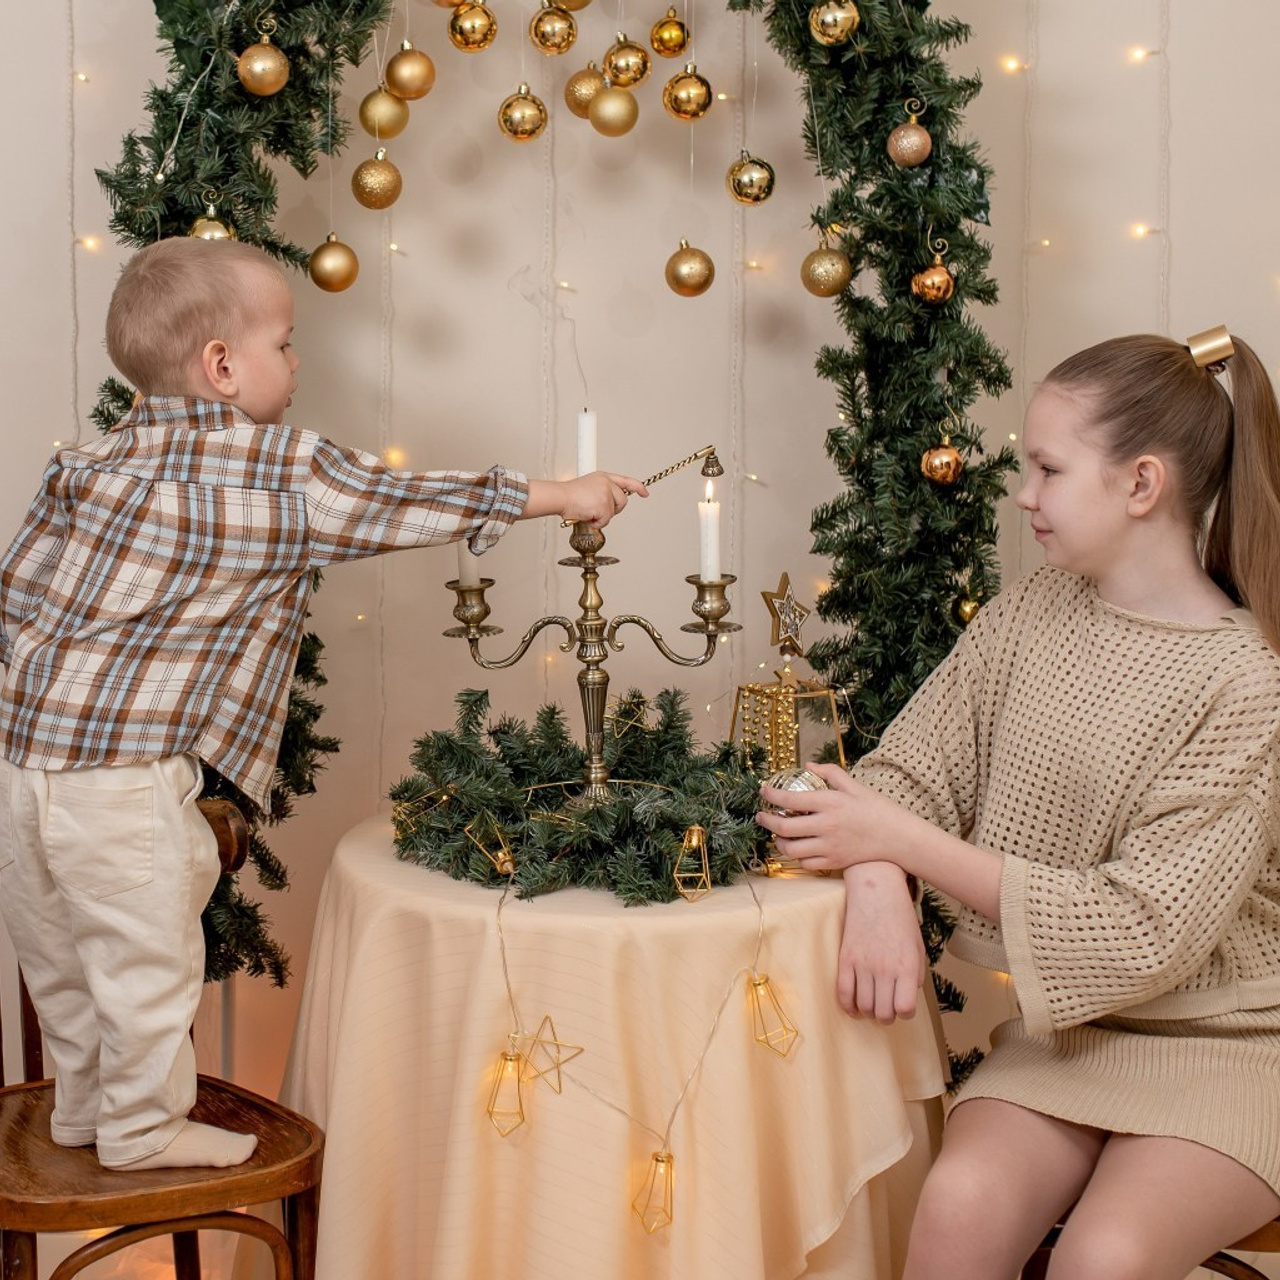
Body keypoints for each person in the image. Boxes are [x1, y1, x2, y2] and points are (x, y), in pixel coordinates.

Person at [0, 236, 647, 1172]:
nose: (298, 363)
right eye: (288, 343)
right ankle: (139, 1129)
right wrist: (564, 494)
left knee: (60, 956)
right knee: (145, 960)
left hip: (25, 775)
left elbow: (17, 598)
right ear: (223, 367)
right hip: (124, 783)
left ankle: (87, 1104)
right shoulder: (280, 470)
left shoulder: (86, 468)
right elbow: (411, 500)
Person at [756, 328, 1280, 1279]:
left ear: (1141, 485)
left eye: (1047, 468)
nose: (1025, 495)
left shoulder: (1247, 682)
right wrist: (878, 876)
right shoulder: (1035, 610)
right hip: (1073, 1039)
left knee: (1103, 1260)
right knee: (953, 1207)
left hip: (1236, 1043)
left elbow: (1141, 934)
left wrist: (904, 841)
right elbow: (903, 774)